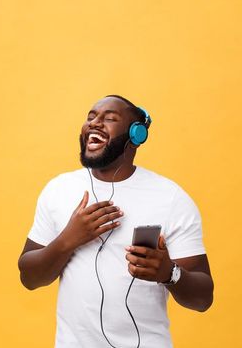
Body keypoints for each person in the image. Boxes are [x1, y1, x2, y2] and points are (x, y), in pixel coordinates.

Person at [17, 95, 214, 348]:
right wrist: (68, 240)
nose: (95, 123)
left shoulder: (171, 198)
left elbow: (203, 299)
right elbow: (29, 278)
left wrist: (169, 273)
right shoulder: (58, 189)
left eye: (109, 118)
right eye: (91, 117)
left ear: (136, 135)